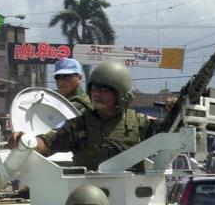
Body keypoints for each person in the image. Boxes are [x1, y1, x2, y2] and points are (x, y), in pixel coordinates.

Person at [11, 61, 155, 171]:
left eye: (105, 89)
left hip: (133, 195)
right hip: (89, 198)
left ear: (121, 93)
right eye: (94, 87)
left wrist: (176, 108)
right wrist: (26, 141)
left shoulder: (138, 122)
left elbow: (171, 131)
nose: (97, 93)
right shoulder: (79, 125)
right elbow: (47, 144)